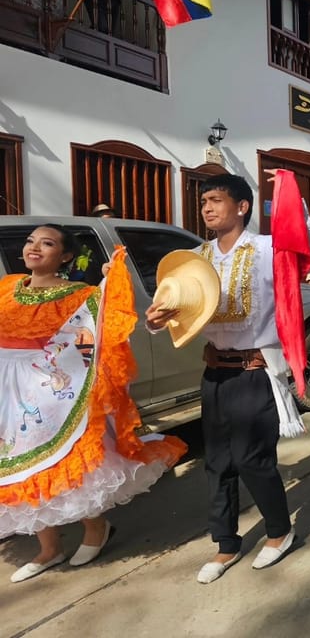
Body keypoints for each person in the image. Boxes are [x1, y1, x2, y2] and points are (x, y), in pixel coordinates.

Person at [2, 225, 186, 583]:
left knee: (62, 464)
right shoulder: (6, 288)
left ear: (65, 256)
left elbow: (100, 329)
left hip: (50, 393)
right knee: (20, 469)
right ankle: (49, 549)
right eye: (30, 241)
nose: (34, 248)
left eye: (47, 243)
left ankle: (95, 528)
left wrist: (110, 280)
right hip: (6, 391)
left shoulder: (79, 295)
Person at [145, 173, 305, 584]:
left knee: (253, 459)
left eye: (216, 200)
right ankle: (226, 543)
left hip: (255, 371)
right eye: (204, 202)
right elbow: (179, 310)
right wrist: (158, 320)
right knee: (217, 462)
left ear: (242, 206)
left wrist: (287, 191)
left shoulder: (268, 249)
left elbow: (304, 253)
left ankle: (279, 531)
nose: (207, 209)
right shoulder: (194, 259)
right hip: (215, 371)